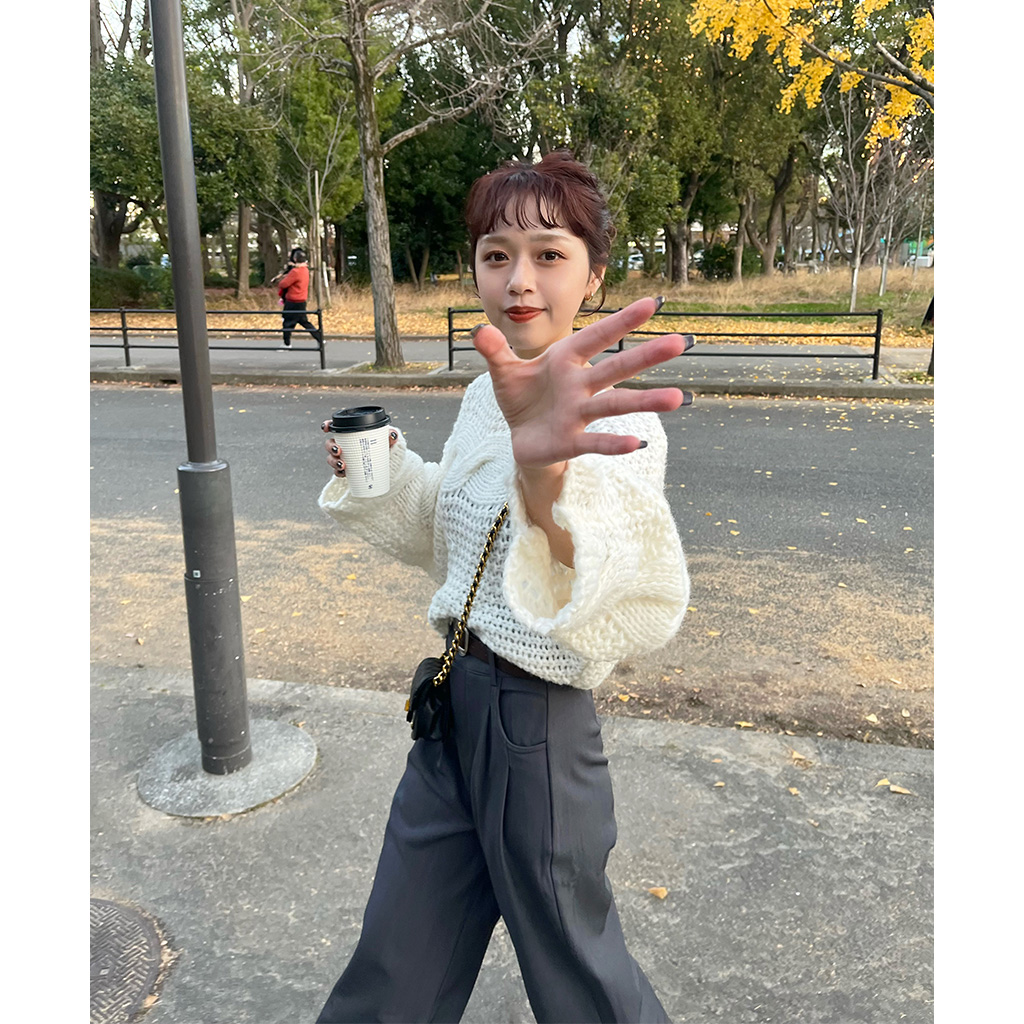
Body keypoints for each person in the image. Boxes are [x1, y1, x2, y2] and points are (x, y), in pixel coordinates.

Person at [315, 150, 693, 1024]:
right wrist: (386, 472)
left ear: (594, 276)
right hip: (451, 708)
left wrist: (546, 476)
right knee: (396, 962)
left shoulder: (614, 410)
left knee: (581, 979)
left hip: (537, 729)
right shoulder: (490, 393)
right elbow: (457, 539)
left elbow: (609, 579)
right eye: (496, 254)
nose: (519, 280)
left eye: (549, 254)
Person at [276, 247, 323, 348]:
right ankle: (320, 339)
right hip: (301, 300)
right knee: (304, 322)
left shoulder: (295, 272)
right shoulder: (305, 270)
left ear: (295, 259)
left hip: (292, 300)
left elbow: (283, 284)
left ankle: (287, 344)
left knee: (287, 322)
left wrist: (284, 277)